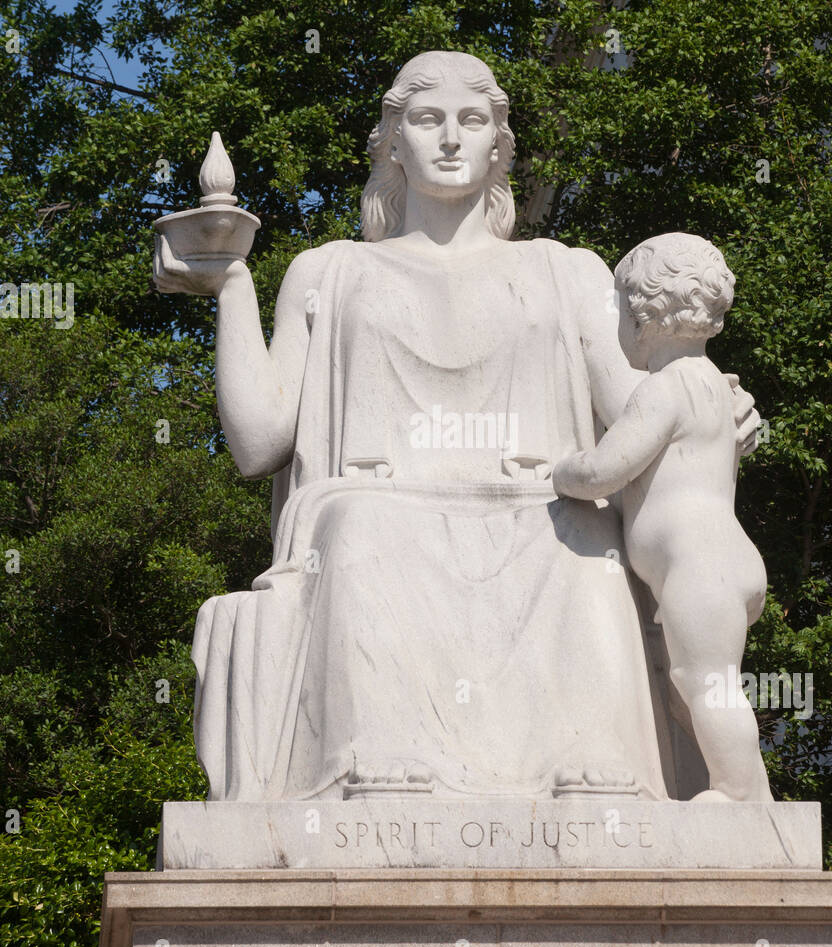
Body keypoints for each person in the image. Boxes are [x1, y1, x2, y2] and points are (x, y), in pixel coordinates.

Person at [153, 54, 761, 801]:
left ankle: (598, 773)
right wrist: (232, 286)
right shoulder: (330, 271)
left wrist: (715, 402)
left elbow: (642, 400)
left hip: (543, 509)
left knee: (585, 543)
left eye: (472, 121)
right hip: (377, 507)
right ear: (392, 143)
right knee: (361, 530)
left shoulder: (565, 271)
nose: (449, 138)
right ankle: (374, 761)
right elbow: (258, 443)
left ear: (499, 145)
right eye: (425, 119)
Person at [553, 233, 772, 802]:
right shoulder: (715, 387)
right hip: (725, 560)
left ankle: (737, 797)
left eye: (621, 313)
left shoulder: (664, 390)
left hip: (697, 569)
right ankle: (756, 794)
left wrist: (563, 471)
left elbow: (607, 469)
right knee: (695, 684)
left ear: (646, 315)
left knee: (709, 685)